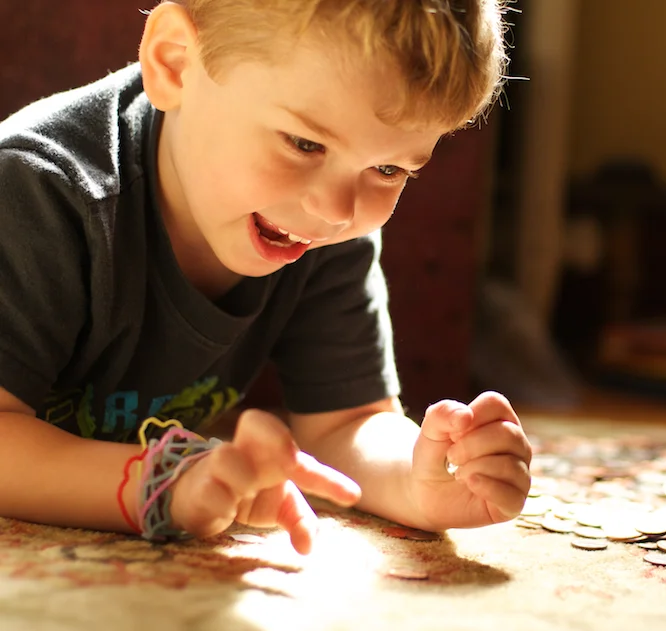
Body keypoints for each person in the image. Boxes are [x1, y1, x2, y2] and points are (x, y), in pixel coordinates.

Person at [0, 0, 532, 555]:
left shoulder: (321, 229)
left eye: (389, 169)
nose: (337, 208)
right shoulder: (38, 193)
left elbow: (344, 424)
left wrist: (419, 480)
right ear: (176, 63)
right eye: (305, 143)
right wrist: (158, 483)